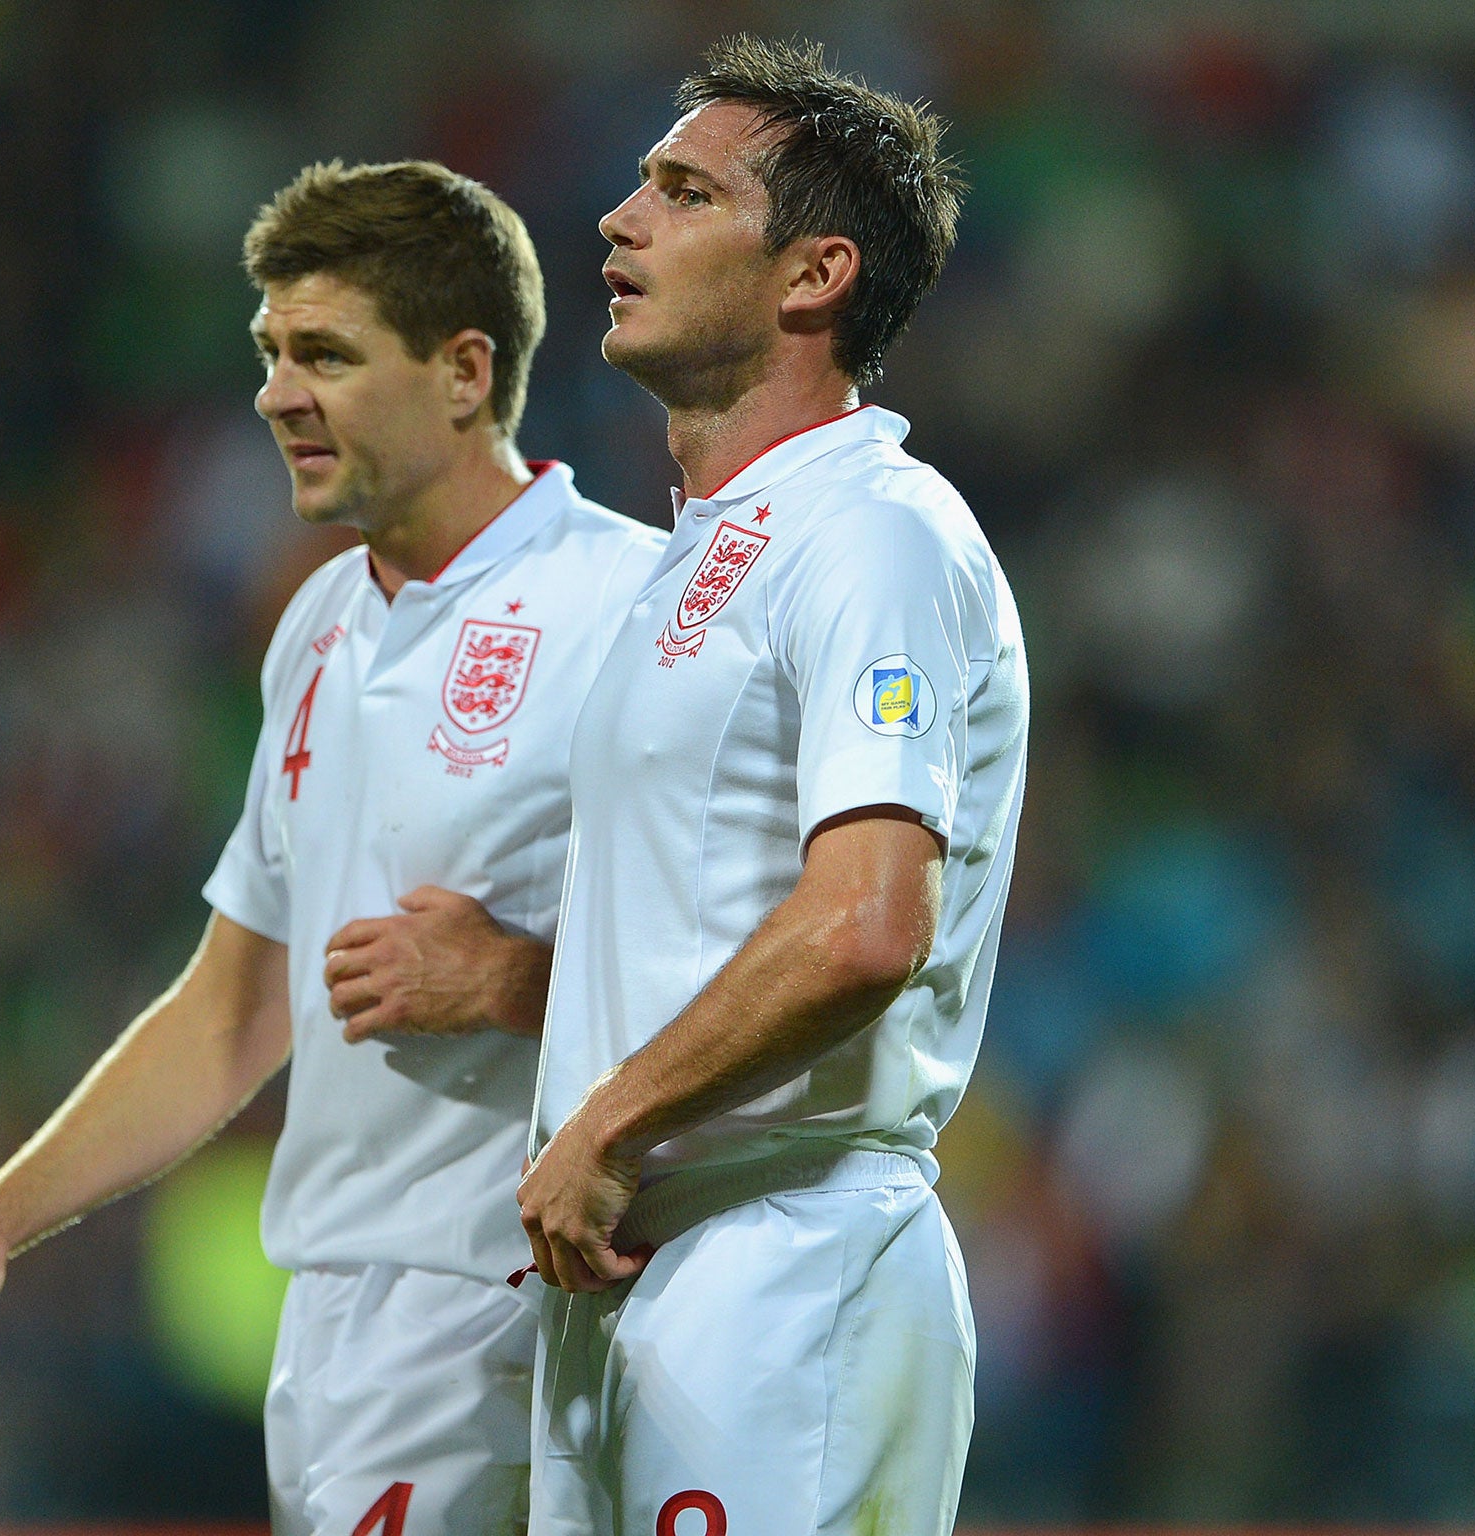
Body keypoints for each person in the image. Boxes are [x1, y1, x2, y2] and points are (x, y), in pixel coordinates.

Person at [0, 159, 664, 1536]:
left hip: (537, 1302)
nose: (276, 393)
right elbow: (232, 1009)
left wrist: (518, 978)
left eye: (327, 355)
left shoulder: (632, 611)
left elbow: (760, 959)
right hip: (344, 1325)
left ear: (465, 373)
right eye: (271, 353)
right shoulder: (316, 633)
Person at [517, 36, 1027, 1536]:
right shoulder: (701, 551)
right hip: (632, 1272)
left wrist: (605, 1124)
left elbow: (871, 923)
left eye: (682, 191)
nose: (620, 221)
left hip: (784, 1262)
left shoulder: (876, 532)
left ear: (813, 276)